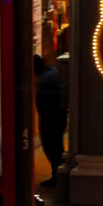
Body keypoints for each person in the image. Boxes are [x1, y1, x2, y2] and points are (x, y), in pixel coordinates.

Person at [35, 54, 67, 186]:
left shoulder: (46, 79)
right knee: (56, 146)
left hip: (51, 118)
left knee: (51, 147)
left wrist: (43, 115)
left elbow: (46, 101)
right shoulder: (54, 72)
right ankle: (58, 176)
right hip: (58, 116)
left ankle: (57, 177)